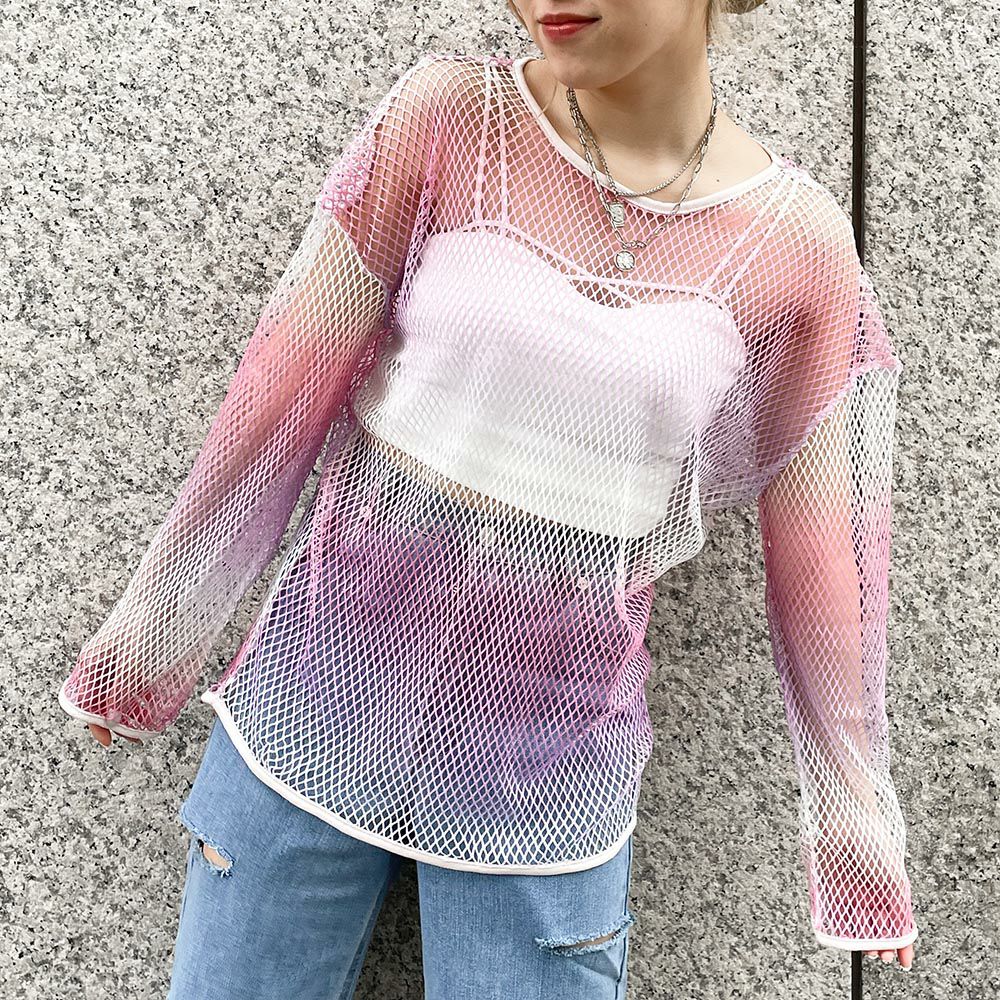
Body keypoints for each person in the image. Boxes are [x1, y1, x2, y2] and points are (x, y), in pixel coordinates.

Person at [58, 0, 919, 995]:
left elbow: (827, 562)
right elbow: (282, 388)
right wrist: (149, 641)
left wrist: (856, 833)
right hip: (307, 715)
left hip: (547, 777)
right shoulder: (449, 117)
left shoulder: (800, 248)